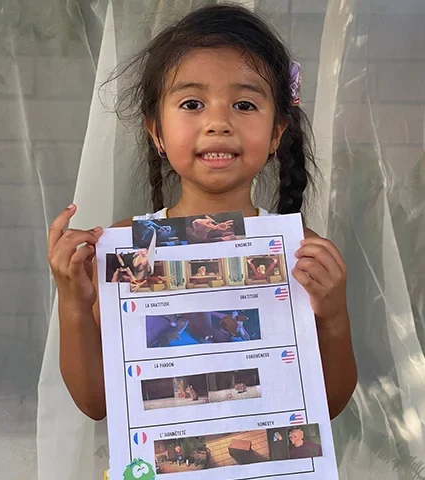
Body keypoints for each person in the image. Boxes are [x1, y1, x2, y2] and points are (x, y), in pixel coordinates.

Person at [47, 4, 357, 422]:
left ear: (276, 133)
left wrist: (333, 316)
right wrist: (73, 302)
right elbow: (96, 403)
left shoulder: (302, 252)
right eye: (192, 103)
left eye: (244, 105)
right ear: (156, 131)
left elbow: (329, 405)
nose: (218, 122)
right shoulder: (129, 250)